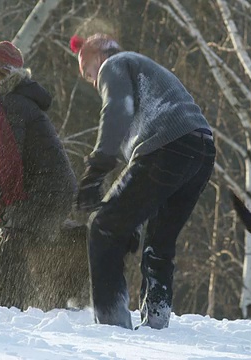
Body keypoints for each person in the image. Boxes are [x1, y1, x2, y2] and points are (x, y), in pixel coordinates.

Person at [69, 33, 216, 329]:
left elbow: (116, 112)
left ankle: (112, 325)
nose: (91, 81)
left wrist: (96, 170)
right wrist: (132, 219)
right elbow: (139, 180)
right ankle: (156, 325)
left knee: (103, 225)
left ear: (97, 57)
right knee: (159, 242)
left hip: (166, 145)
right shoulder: (144, 69)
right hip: (200, 149)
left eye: (87, 73)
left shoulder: (115, 64)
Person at [0, 41, 77, 310]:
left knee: (14, 235)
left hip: (48, 189)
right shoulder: (15, 101)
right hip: (53, 188)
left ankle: (7, 305)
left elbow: (7, 159)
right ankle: (21, 303)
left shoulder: (11, 103)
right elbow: (8, 158)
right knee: (18, 234)